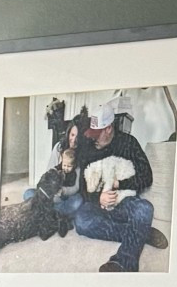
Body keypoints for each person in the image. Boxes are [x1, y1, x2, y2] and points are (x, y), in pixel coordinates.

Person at [50, 101, 169, 272]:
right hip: (97, 205)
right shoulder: (88, 147)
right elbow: (83, 186)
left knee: (145, 209)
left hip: (123, 202)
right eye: (92, 133)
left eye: (97, 134)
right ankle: (141, 233)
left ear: (109, 128)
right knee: (82, 223)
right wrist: (98, 198)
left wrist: (120, 184)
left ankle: (123, 262)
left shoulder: (128, 143)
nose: (93, 138)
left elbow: (146, 176)